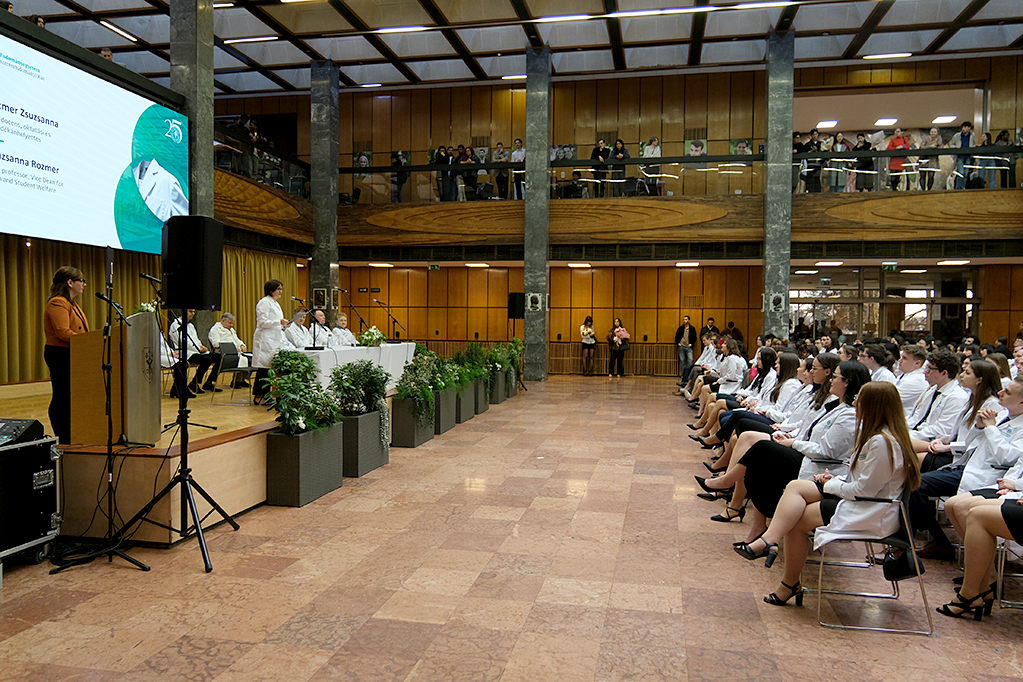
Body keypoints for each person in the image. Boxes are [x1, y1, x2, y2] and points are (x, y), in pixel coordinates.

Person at [737, 382, 920, 610]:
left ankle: (788, 581)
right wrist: (833, 479)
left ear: (874, 406)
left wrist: (832, 484)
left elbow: (864, 491)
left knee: (796, 522)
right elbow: (861, 479)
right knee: (796, 487)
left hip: (872, 510)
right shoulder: (877, 436)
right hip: (862, 500)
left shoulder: (882, 442)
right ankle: (770, 540)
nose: (854, 403)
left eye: (859, 399)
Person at [43, 267, 90, 443]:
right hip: (60, 354)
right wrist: (87, 342)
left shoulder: (72, 303)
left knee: (70, 396)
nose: (84, 285)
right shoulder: (58, 302)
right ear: (70, 282)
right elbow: (63, 332)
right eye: (82, 281)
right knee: (62, 396)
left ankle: (71, 433)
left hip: (72, 352)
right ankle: (63, 436)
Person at [253, 280, 290, 405]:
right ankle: (259, 396)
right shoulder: (264, 302)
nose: (281, 291)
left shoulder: (275, 303)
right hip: (265, 339)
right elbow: (262, 322)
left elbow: (276, 322)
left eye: (281, 289)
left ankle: (267, 395)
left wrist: (284, 325)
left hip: (274, 339)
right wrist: (279, 322)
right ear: (271, 290)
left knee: (269, 368)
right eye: (278, 289)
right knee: (263, 368)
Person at [169, 309, 223, 394]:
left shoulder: (191, 325)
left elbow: (196, 339)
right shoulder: (175, 325)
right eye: (190, 311)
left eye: (194, 312)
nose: (193, 314)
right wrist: (198, 348)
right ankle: (195, 382)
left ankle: (209, 382)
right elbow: (182, 341)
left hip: (196, 350)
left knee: (219, 357)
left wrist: (201, 346)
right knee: (206, 360)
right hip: (184, 351)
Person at [208, 312, 250, 387]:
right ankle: (235, 381)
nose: (231, 325)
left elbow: (237, 339)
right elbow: (215, 344)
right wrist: (232, 348)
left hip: (237, 352)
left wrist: (242, 345)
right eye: (230, 323)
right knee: (242, 359)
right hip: (225, 353)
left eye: (232, 323)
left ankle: (240, 380)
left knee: (250, 359)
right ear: (223, 321)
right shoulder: (215, 329)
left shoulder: (231, 330)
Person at [949, 121, 976, 190]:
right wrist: (955, 147)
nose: (963, 129)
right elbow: (951, 144)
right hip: (960, 156)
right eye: (962, 127)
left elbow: (973, 144)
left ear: (969, 128)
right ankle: (958, 188)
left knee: (966, 173)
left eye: (965, 127)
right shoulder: (957, 135)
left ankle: (963, 187)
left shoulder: (972, 135)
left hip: (968, 156)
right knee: (961, 172)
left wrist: (974, 147)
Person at [675, 315, 697, 381]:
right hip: (681, 346)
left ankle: (689, 375)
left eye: (686, 319)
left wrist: (691, 344)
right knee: (682, 361)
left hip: (689, 346)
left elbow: (694, 337)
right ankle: (684, 375)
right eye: (684, 319)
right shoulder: (680, 328)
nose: (685, 321)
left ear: (689, 320)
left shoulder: (692, 328)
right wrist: (678, 343)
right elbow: (677, 336)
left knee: (690, 360)